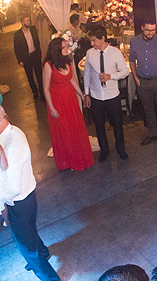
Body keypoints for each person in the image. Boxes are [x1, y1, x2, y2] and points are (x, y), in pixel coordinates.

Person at [0, 102, 62, 281]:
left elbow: (13, 188)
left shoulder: (13, 145)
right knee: (30, 232)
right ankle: (43, 252)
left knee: (25, 244)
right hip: (26, 198)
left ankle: (51, 280)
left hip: (20, 201)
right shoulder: (10, 133)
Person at [43, 37, 94, 171]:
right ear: (57, 50)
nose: (67, 49)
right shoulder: (48, 65)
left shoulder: (67, 61)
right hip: (58, 102)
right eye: (64, 47)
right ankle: (68, 161)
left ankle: (78, 157)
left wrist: (82, 95)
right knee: (64, 132)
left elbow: (72, 80)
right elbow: (46, 89)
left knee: (74, 129)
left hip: (70, 99)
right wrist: (51, 108)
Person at [83, 25, 130, 162]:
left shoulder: (115, 53)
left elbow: (125, 71)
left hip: (112, 95)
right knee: (99, 125)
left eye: (94, 40)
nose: (92, 44)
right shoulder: (90, 53)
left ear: (103, 38)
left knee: (117, 125)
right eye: (91, 41)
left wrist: (111, 76)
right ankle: (104, 150)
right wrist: (86, 94)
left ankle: (121, 149)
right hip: (96, 96)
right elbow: (86, 74)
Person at [129, 18, 157, 149]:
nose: (151, 33)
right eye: (148, 30)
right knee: (148, 109)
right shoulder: (134, 41)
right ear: (142, 28)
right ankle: (152, 133)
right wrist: (135, 77)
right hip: (142, 82)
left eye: (153, 30)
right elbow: (132, 60)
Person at [13, 16, 44, 99]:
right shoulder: (17, 34)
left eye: (29, 21)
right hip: (26, 58)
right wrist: (20, 60)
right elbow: (16, 49)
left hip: (35, 55)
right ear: (22, 22)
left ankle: (42, 93)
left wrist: (39, 54)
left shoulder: (33, 29)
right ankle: (35, 92)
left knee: (39, 75)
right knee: (30, 77)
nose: (29, 22)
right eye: (27, 21)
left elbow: (37, 42)